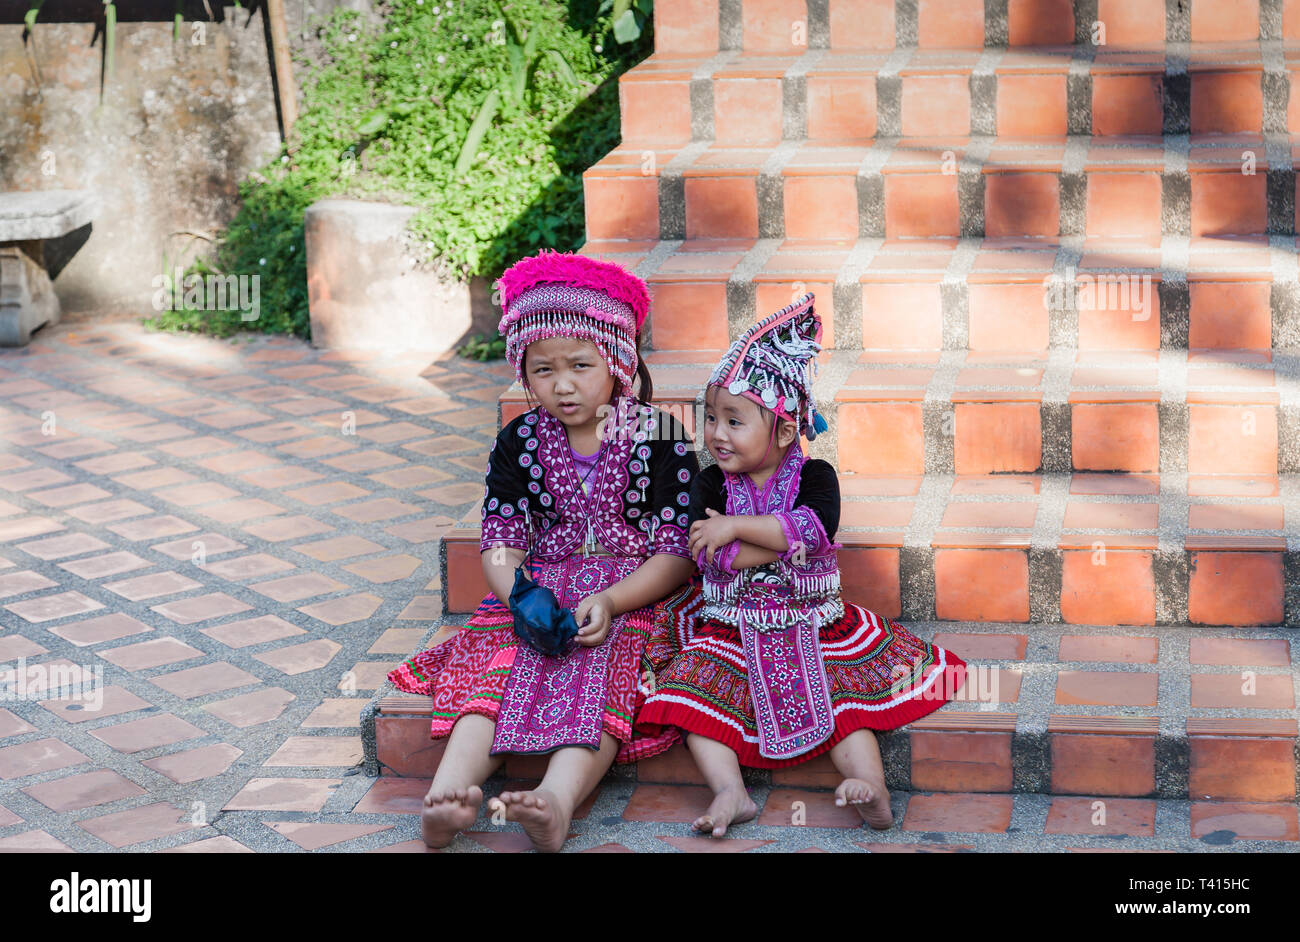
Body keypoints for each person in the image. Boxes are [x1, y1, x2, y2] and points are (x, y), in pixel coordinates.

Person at [387, 250, 698, 852]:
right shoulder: (520, 438)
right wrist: (522, 595)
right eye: (542, 370)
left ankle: (556, 801)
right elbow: (500, 541)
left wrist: (610, 599)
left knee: (604, 668)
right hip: (540, 586)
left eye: (581, 365)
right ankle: (448, 796)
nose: (562, 385)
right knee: (497, 661)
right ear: (523, 373)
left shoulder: (661, 437)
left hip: (633, 592)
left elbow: (677, 553)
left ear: (617, 362)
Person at [636, 292, 969, 838]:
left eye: (734, 421)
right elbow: (713, 553)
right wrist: (772, 542)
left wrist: (738, 527)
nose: (716, 433)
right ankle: (730, 791)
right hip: (728, 626)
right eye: (712, 418)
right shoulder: (708, 482)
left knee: (841, 701)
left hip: (814, 620)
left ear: (785, 431)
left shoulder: (816, 479)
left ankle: (872, 788)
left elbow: (816, 532)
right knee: (693, 696)